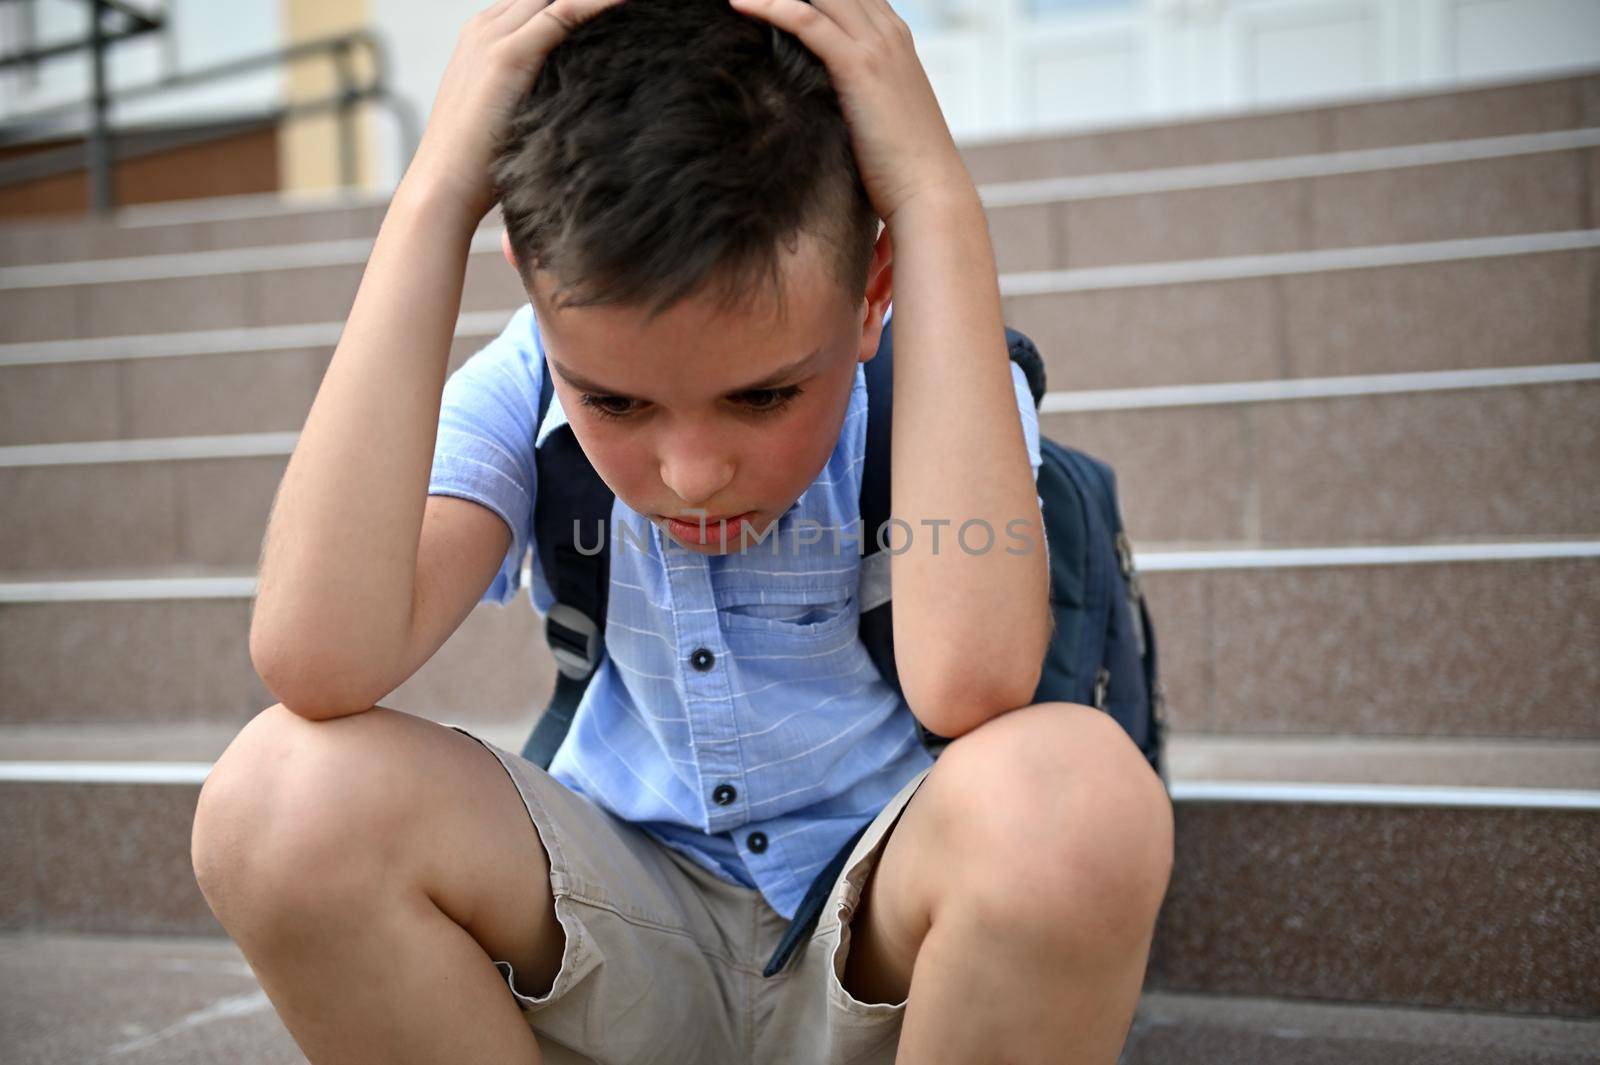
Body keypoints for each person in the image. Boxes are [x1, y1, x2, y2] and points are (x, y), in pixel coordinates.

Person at [191, 1, 1175, 1062]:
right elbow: (317, 657)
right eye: (615, 404)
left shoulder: (929, 378)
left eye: (762, 397)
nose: (692, 475)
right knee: (277, 796)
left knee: (1070, 790)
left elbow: (969, 682)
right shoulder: (523, 385)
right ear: (532, 285)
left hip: (887, 954)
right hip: (627, 938)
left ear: (872, 292)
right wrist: (434, 198)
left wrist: (933, 198)